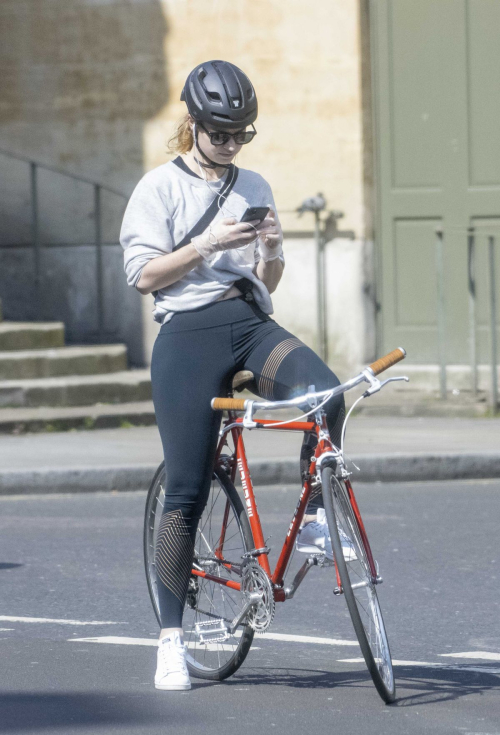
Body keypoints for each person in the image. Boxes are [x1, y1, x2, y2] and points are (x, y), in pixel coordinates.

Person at [120, 60, 345, 691]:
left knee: (325, 395)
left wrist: (270, 251)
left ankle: (319, 521)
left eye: (242, 134)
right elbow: (143, 277)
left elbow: (267, 283)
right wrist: (205, 245)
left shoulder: (255, 184)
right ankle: (170, 641)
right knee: (186, 491)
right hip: (188, 335)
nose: (230, 144)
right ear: (193, 123)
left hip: (248, 323)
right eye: (221, 132)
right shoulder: (157, 188)